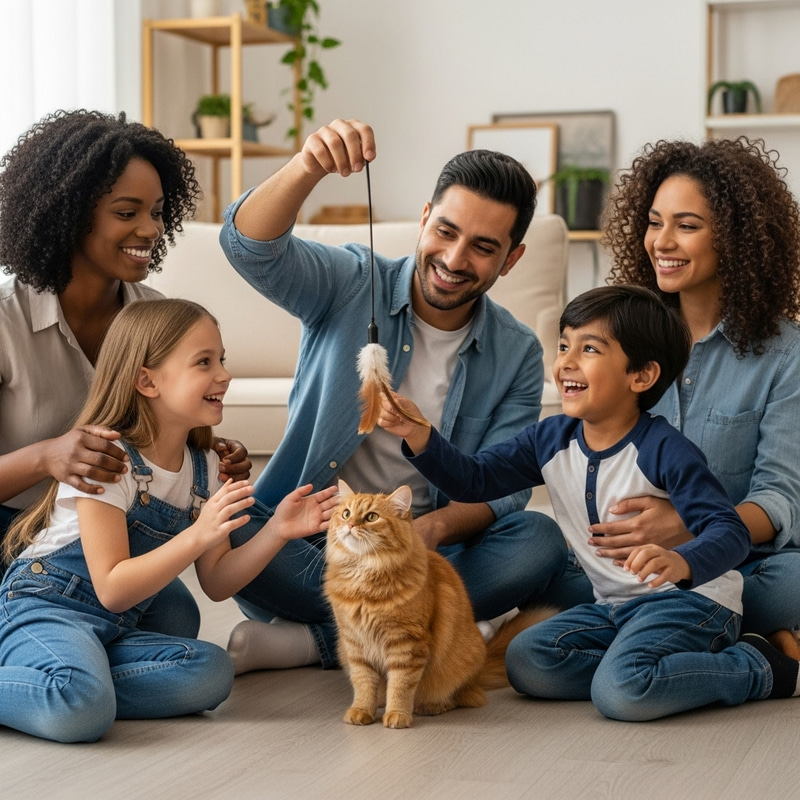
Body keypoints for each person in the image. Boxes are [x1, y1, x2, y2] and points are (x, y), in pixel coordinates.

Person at [218, 118, 567, 673]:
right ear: (425, 218)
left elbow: (504, 488)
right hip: (314, 543)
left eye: (483, 248)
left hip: (425, 557)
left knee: (539, 539)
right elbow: (248, 248)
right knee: (236, 531)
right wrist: (308, 165)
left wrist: (429, 530)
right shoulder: (352, 280)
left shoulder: (517, 352)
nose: (454, 259)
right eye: (446, 232)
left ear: (511, 259)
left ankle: (315, 642)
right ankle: (425, 631)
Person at [378, 285, 800, 721]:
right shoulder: (549, 439)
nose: (566, 362)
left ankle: (760, 667)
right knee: (526, 660)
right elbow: (474, 480)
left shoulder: (665, 450)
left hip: (692, 602)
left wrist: (683, 562)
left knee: (622, 693)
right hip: (614, 607)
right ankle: (652, 666)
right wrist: (421, 435)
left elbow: (729, 531)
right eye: (564, 345)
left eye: (590, 349)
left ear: (641, 376)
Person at [0, 298, 339, 743]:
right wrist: (199, 533)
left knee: (211, 672)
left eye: (222, 360)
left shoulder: (204, 468)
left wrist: (277, 530)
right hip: (48, 606)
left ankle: (73, 685)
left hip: (114, 626)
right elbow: (113, 587)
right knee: (81, 708)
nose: (224, 375)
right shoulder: (109, 461)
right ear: (147, 381)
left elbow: (217, 582)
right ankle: (73, 691)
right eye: (204, 362)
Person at [0, 109, 251, 636]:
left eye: (157, 212)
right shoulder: (6, 321)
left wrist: (208, 453)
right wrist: (47, 456)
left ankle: (64, 661)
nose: (150, 229)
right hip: (12, 532)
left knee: (177, 618)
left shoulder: (155, 315)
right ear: (70, 215)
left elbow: (160, 428)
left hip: (107, 530)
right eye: (126, 212)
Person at [568, 136, 800, 656]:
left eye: (687, 226)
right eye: (655, 223)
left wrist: (689, 526)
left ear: (736, 238)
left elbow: (778, 498)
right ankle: (721, 634)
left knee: (792, 582)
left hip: (739, 562)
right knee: (546, 563)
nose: (662, 242)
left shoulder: (787, 355)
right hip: (630, 562)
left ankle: (663, 628)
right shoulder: (620, 336)